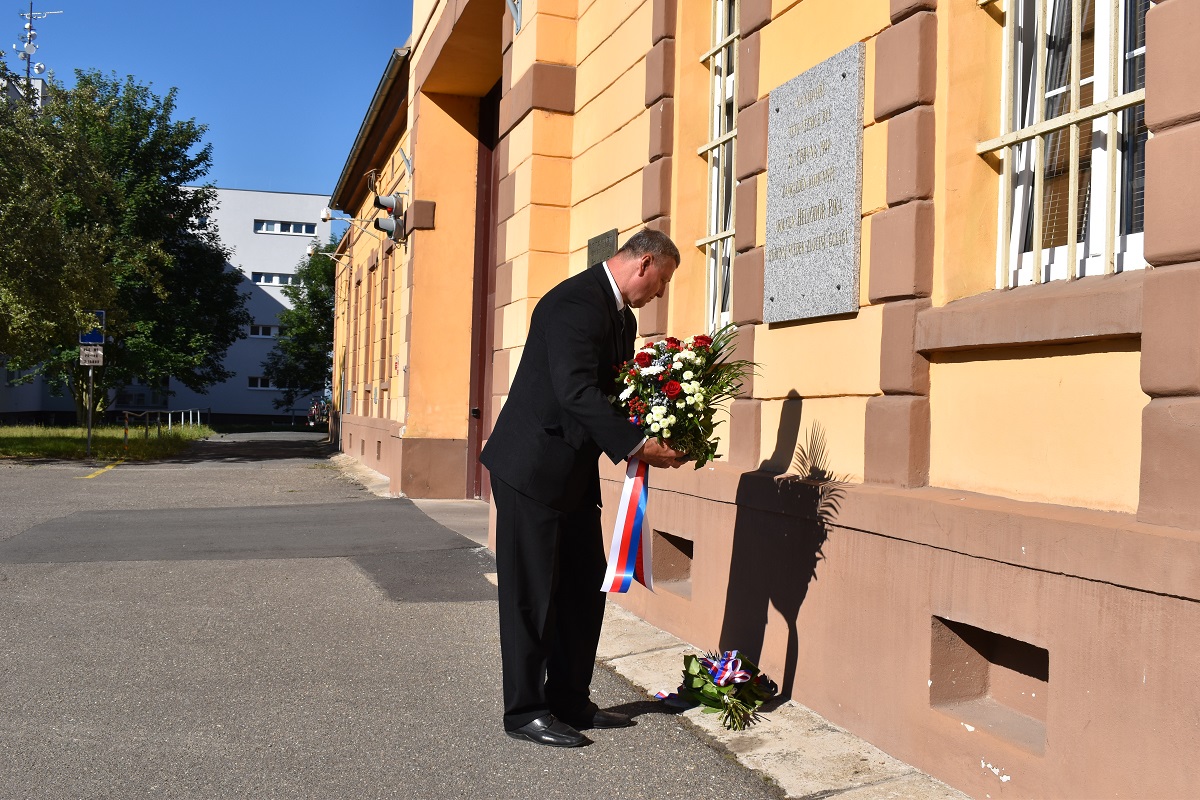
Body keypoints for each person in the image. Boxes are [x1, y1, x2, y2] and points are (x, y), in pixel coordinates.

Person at [480, 228, 688, 748]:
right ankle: (525, 710)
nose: (659, 294)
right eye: (661, 282)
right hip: (532, 470)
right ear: (643, 265)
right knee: (532, 597)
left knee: (582, 588)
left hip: (572, 473)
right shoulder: (574, 302)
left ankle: (569, 699)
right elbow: (576, 390)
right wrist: (639, 445)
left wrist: (664, 415)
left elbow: (612, 390)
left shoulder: (621, 315)